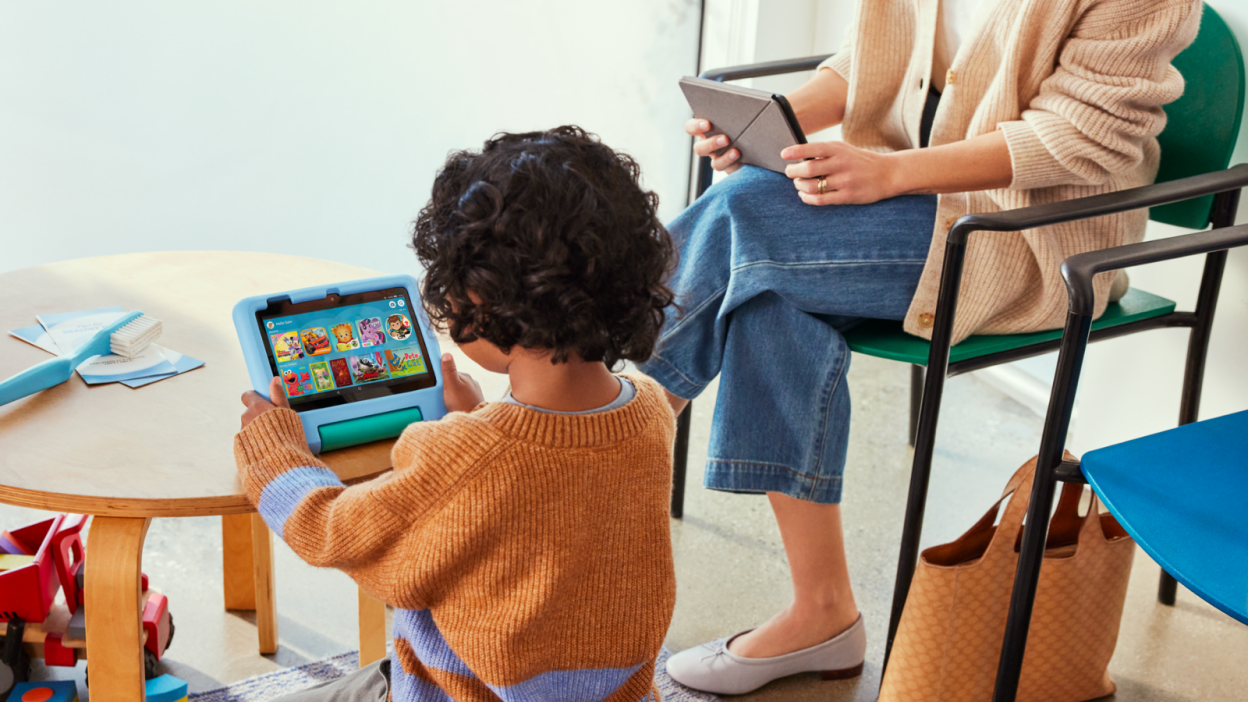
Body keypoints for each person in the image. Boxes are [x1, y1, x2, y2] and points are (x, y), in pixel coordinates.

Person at [654, 0, 1201, 694]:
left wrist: (892, 174)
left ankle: (598, 435)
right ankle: (822, 612)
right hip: (908, 200)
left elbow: (1084, 140)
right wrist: (769, 125)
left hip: (1029, 232)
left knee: (744, 215)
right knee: (767, 284)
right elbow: (870, 67)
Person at [235, 126, 679, 701]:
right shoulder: (649, 411)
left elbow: (332, 531)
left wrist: (275, 452)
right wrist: (487, 417)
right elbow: (554, 497)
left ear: (478, 298)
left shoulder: (463, 457)